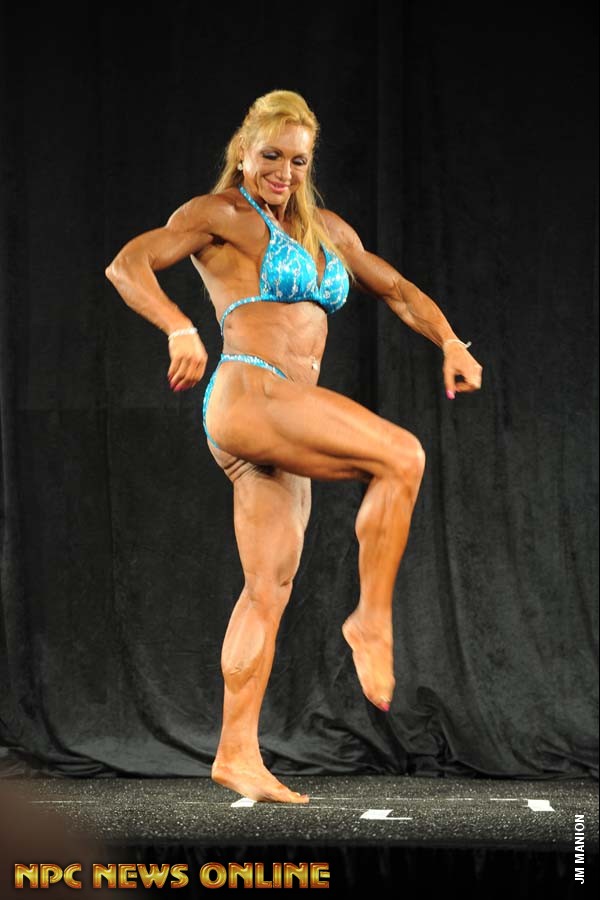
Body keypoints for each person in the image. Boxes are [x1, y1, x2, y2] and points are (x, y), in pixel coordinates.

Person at [105, 89, 483, 804]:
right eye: (271, 156)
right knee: (402, 455)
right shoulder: (221, 214)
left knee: (267, 589)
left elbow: (398, 290)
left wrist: (451, 341)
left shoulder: (328, 231)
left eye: (298, 161)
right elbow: (128, 265)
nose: (283, 172)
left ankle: (236, 753)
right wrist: (178, 327)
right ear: (244, 153)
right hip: (252, 392)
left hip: (276, 418)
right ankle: (370, 621)